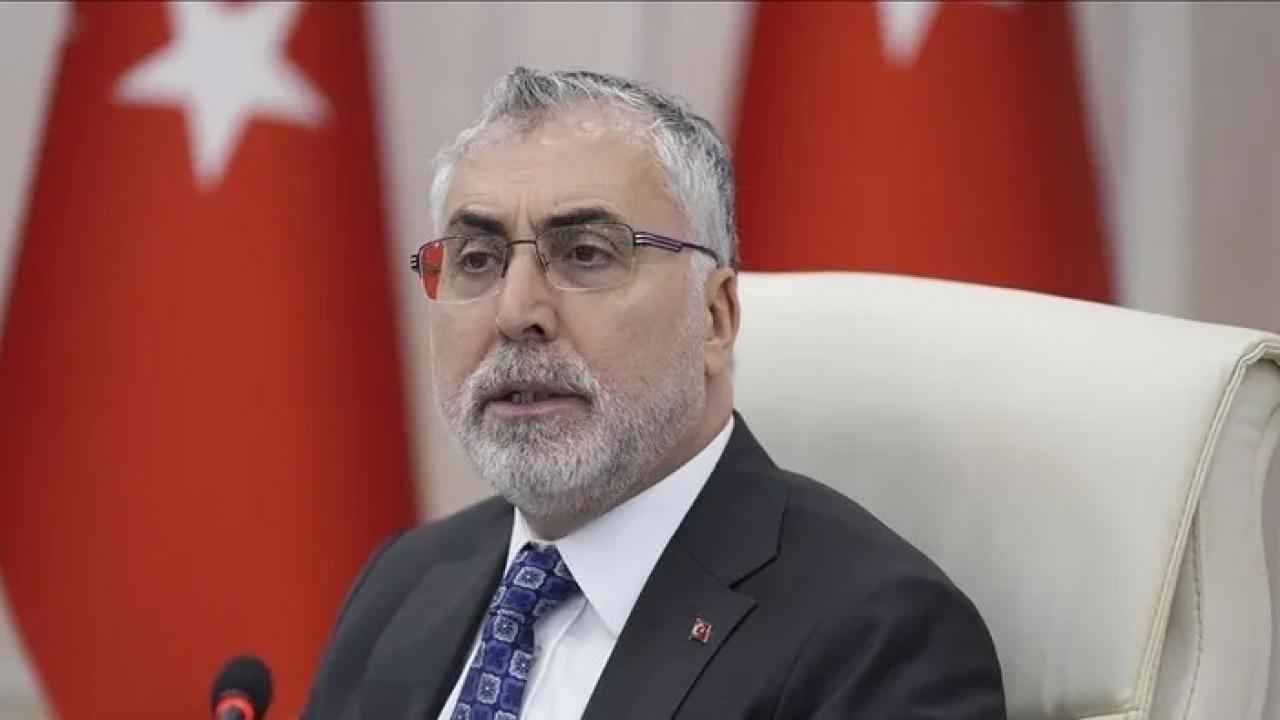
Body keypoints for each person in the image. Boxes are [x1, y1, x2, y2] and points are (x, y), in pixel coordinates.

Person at [304, 67, 1006, 720]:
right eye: (478, 259)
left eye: (586, 253)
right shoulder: (404, 583)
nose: (515, 312)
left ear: (715, 318)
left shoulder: (877, 637)